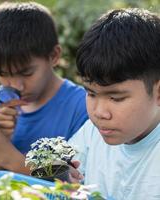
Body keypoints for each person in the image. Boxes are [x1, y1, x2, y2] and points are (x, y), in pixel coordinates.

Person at [0, 2, 88, 174]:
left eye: (27, 73)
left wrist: (8, 155)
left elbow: (75, 182)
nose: (15, 86)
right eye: (3, 73)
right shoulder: (2, 99)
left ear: (53, 56)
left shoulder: (82, 107)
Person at [68, 8, 160, 200]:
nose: (100, 113)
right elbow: (59, 165)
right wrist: (61, 172)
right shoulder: (92, 133)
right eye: (91, 94)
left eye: (116, 98)